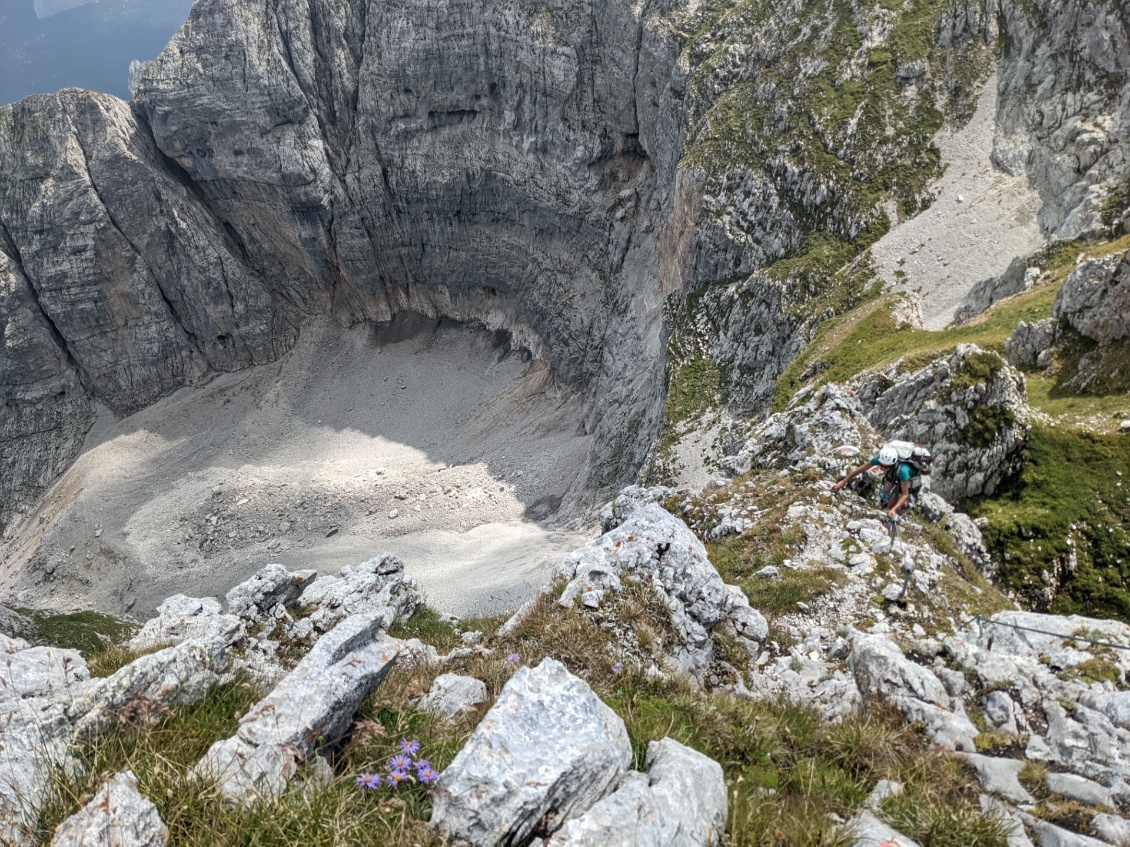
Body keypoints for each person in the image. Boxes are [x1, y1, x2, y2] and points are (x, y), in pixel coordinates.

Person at [832, 444, 920, 518]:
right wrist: (843, 482)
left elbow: (905, 494)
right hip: (894, 475)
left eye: (886, 466)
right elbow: (859, 470)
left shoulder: (903, 471)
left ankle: (903, 507)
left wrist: (893, 509)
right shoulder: (879, 460)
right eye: (881, 465)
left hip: (910, 480)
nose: (883, 468)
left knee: (891, 505)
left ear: (893, 463)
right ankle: (898, 503)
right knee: (885, 492)